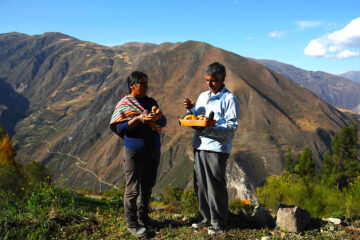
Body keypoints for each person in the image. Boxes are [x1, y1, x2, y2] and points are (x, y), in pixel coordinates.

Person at [183, 62, 240, 235]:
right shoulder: (203, 96)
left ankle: (219, 222)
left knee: (215, 186)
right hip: (199, 144)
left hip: (216, 147)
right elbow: (198, 115)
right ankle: (205, 218)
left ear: (223, 79)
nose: (209, 84)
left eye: (213, 81)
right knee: (200, 184)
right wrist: (191, 109)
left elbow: (231, 126)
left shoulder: (229, 99)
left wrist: (208, 129)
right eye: (207, 80)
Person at [109, 71, 166, 238]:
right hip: (134, 151)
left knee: (147, 186)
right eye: (142, 83)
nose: (146, 86)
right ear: (132, 85)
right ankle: (132, 223)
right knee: (132, 189)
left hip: (153, 149)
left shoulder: (151, 102)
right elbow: (119, 127)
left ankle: (144, 218)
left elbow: (164, 121)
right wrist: (138, 119)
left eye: (147, 83)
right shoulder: (124, 104)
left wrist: (157, 118)